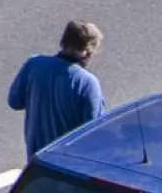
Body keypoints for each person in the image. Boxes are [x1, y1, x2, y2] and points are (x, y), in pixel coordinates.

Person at [7, 20, 106, 164]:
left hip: (37, 161)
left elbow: (15, 102)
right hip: (69, 166)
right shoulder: (88, 83)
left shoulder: (34, 64)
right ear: (87, 51)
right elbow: (91, 133)